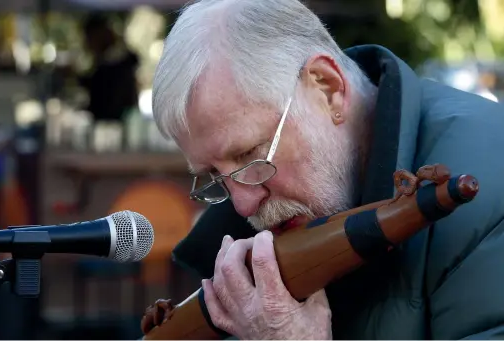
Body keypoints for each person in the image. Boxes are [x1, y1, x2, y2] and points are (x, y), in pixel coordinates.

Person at [150, 0, 504, 339]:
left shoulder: (493, 190)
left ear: (327, 87)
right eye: (215, 175)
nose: (242, 206)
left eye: (249, 155)